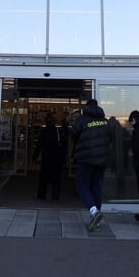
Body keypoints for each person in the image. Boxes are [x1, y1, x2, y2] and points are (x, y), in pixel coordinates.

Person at [70, 98, 113, 232]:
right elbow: (110, 138)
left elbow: (73, 136)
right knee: (96, 188)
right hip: (101, 161)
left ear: (87, 107)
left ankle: (94, 212)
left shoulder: (81, 120)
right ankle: (96, 221)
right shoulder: (105, 122)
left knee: (82, 186)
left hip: (86, 160)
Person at [32, 113, 65, 201]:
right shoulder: (58, 131)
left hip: (46, 156)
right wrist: (63, 157)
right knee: (56, 178)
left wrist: (35, 156)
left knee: (43, 177)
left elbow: (39, 144)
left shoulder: (44, 131)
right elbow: (63, 145)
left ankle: (41, 194)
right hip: (57, 157)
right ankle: (55, 195)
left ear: (46, 122)